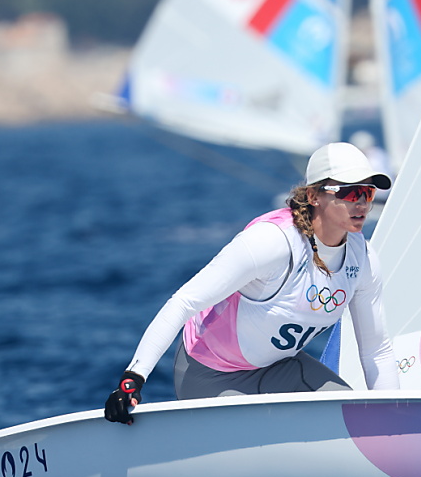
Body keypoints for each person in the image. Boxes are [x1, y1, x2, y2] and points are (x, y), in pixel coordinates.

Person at [104, 141, 400, 424]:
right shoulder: (271, 243)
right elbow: (184, 302)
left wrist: (395, 422)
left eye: (368, 192)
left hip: (277, 369)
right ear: (314, 196)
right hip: (210, 373)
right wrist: (133, 378)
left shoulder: (363, 259)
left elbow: (376, 350)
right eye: (350, 192)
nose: (362, 203)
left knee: (355, 420)